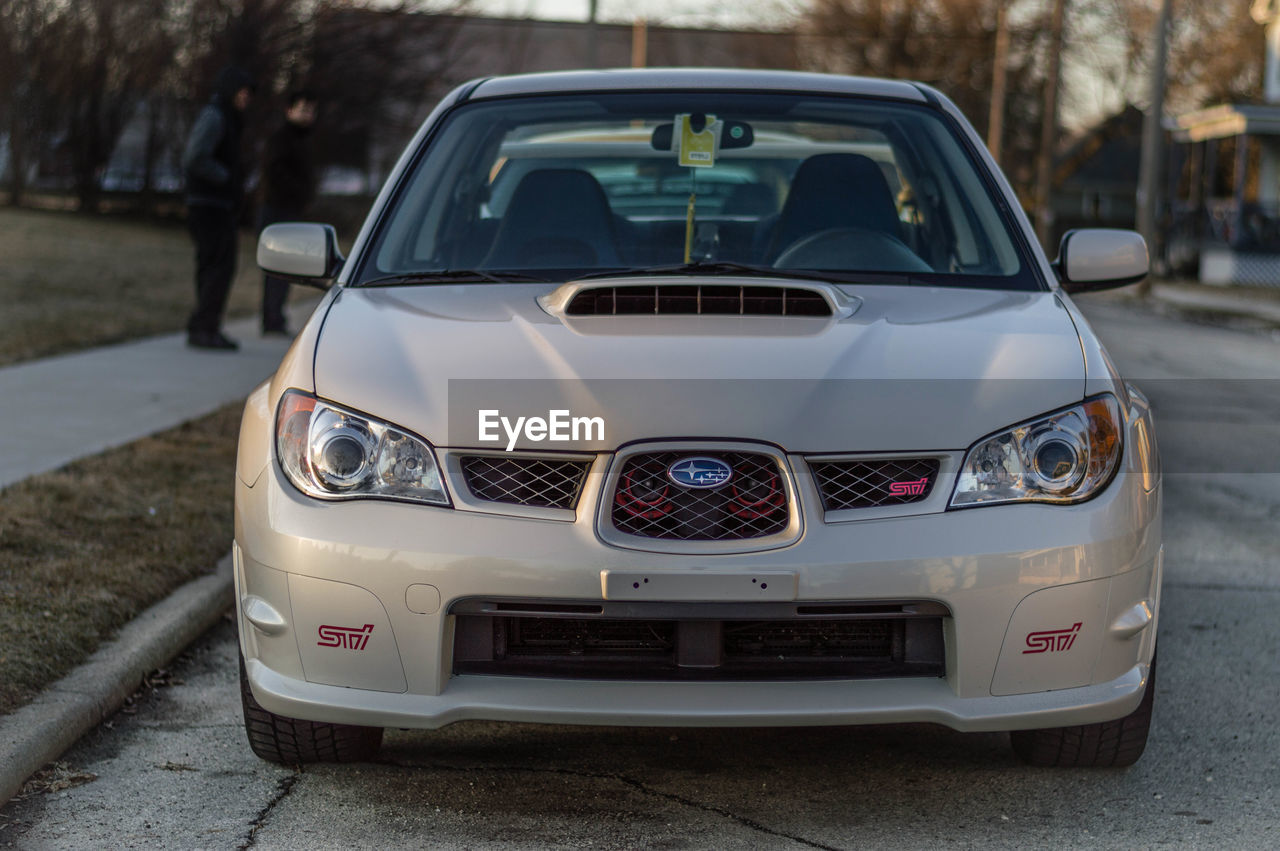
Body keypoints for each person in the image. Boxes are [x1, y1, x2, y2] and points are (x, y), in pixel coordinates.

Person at [182, 66, 255, 351]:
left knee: (213, 266)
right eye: (243, 92)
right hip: (209, 205)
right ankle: (204, 327)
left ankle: (204, 326)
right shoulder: (215, 115)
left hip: (213, 204)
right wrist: (227, 178)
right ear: (231, 89)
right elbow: (195, 157)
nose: (246, 98)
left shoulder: (226, 116)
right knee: (218, 267)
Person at [259, 91, 318, 336]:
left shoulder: (301, 139)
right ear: (289, 110)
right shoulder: (282, 139)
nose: (308, 115)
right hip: (278, 209)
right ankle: (272, 318)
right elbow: (276, 173)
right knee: (279, 266)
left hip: (289, 209)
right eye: (303, 109)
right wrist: (298, 192)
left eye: (311, 111)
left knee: (286, 267)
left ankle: (275, 317)